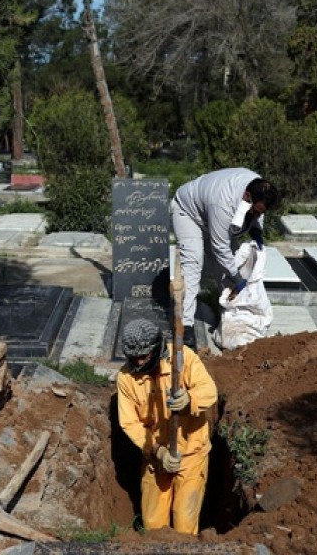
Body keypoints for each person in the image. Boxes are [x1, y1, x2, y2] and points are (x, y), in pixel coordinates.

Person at [116, 318, 218, 535]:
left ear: (157, 347)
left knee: (184, 524)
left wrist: (190, 399)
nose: (140, 362)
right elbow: (130, 423)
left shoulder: (182, 359)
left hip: (191, 454)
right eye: (135, 357)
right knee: (154, 525)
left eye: (145, 356)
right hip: (156, 458)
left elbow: (209, 390)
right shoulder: (126, 378)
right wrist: (158, 451)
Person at [171, 168, 280, 348]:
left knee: (231, 265)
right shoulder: (222, 202)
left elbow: (257, 212)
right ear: (247, 196)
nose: (257, 215)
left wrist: (257, 230)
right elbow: (220, 247)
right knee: (193, 265)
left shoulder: (260, 188)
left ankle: (230, 316)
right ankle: (186, 325)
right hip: (188, 213)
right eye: (256, 211)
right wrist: (237, 278)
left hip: (212, 213)